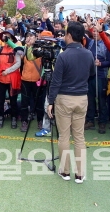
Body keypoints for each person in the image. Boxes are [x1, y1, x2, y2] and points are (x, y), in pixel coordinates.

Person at [47, 21, 95, 184]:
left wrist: (50, 101)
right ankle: (80, 174)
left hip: (64, 98)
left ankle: (65, 171)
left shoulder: (63, 55)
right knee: (79, 136)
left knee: (64, 136)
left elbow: (56, 81)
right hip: (82, 97)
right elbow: (92, 74)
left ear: (69, 35)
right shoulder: (88, 54)